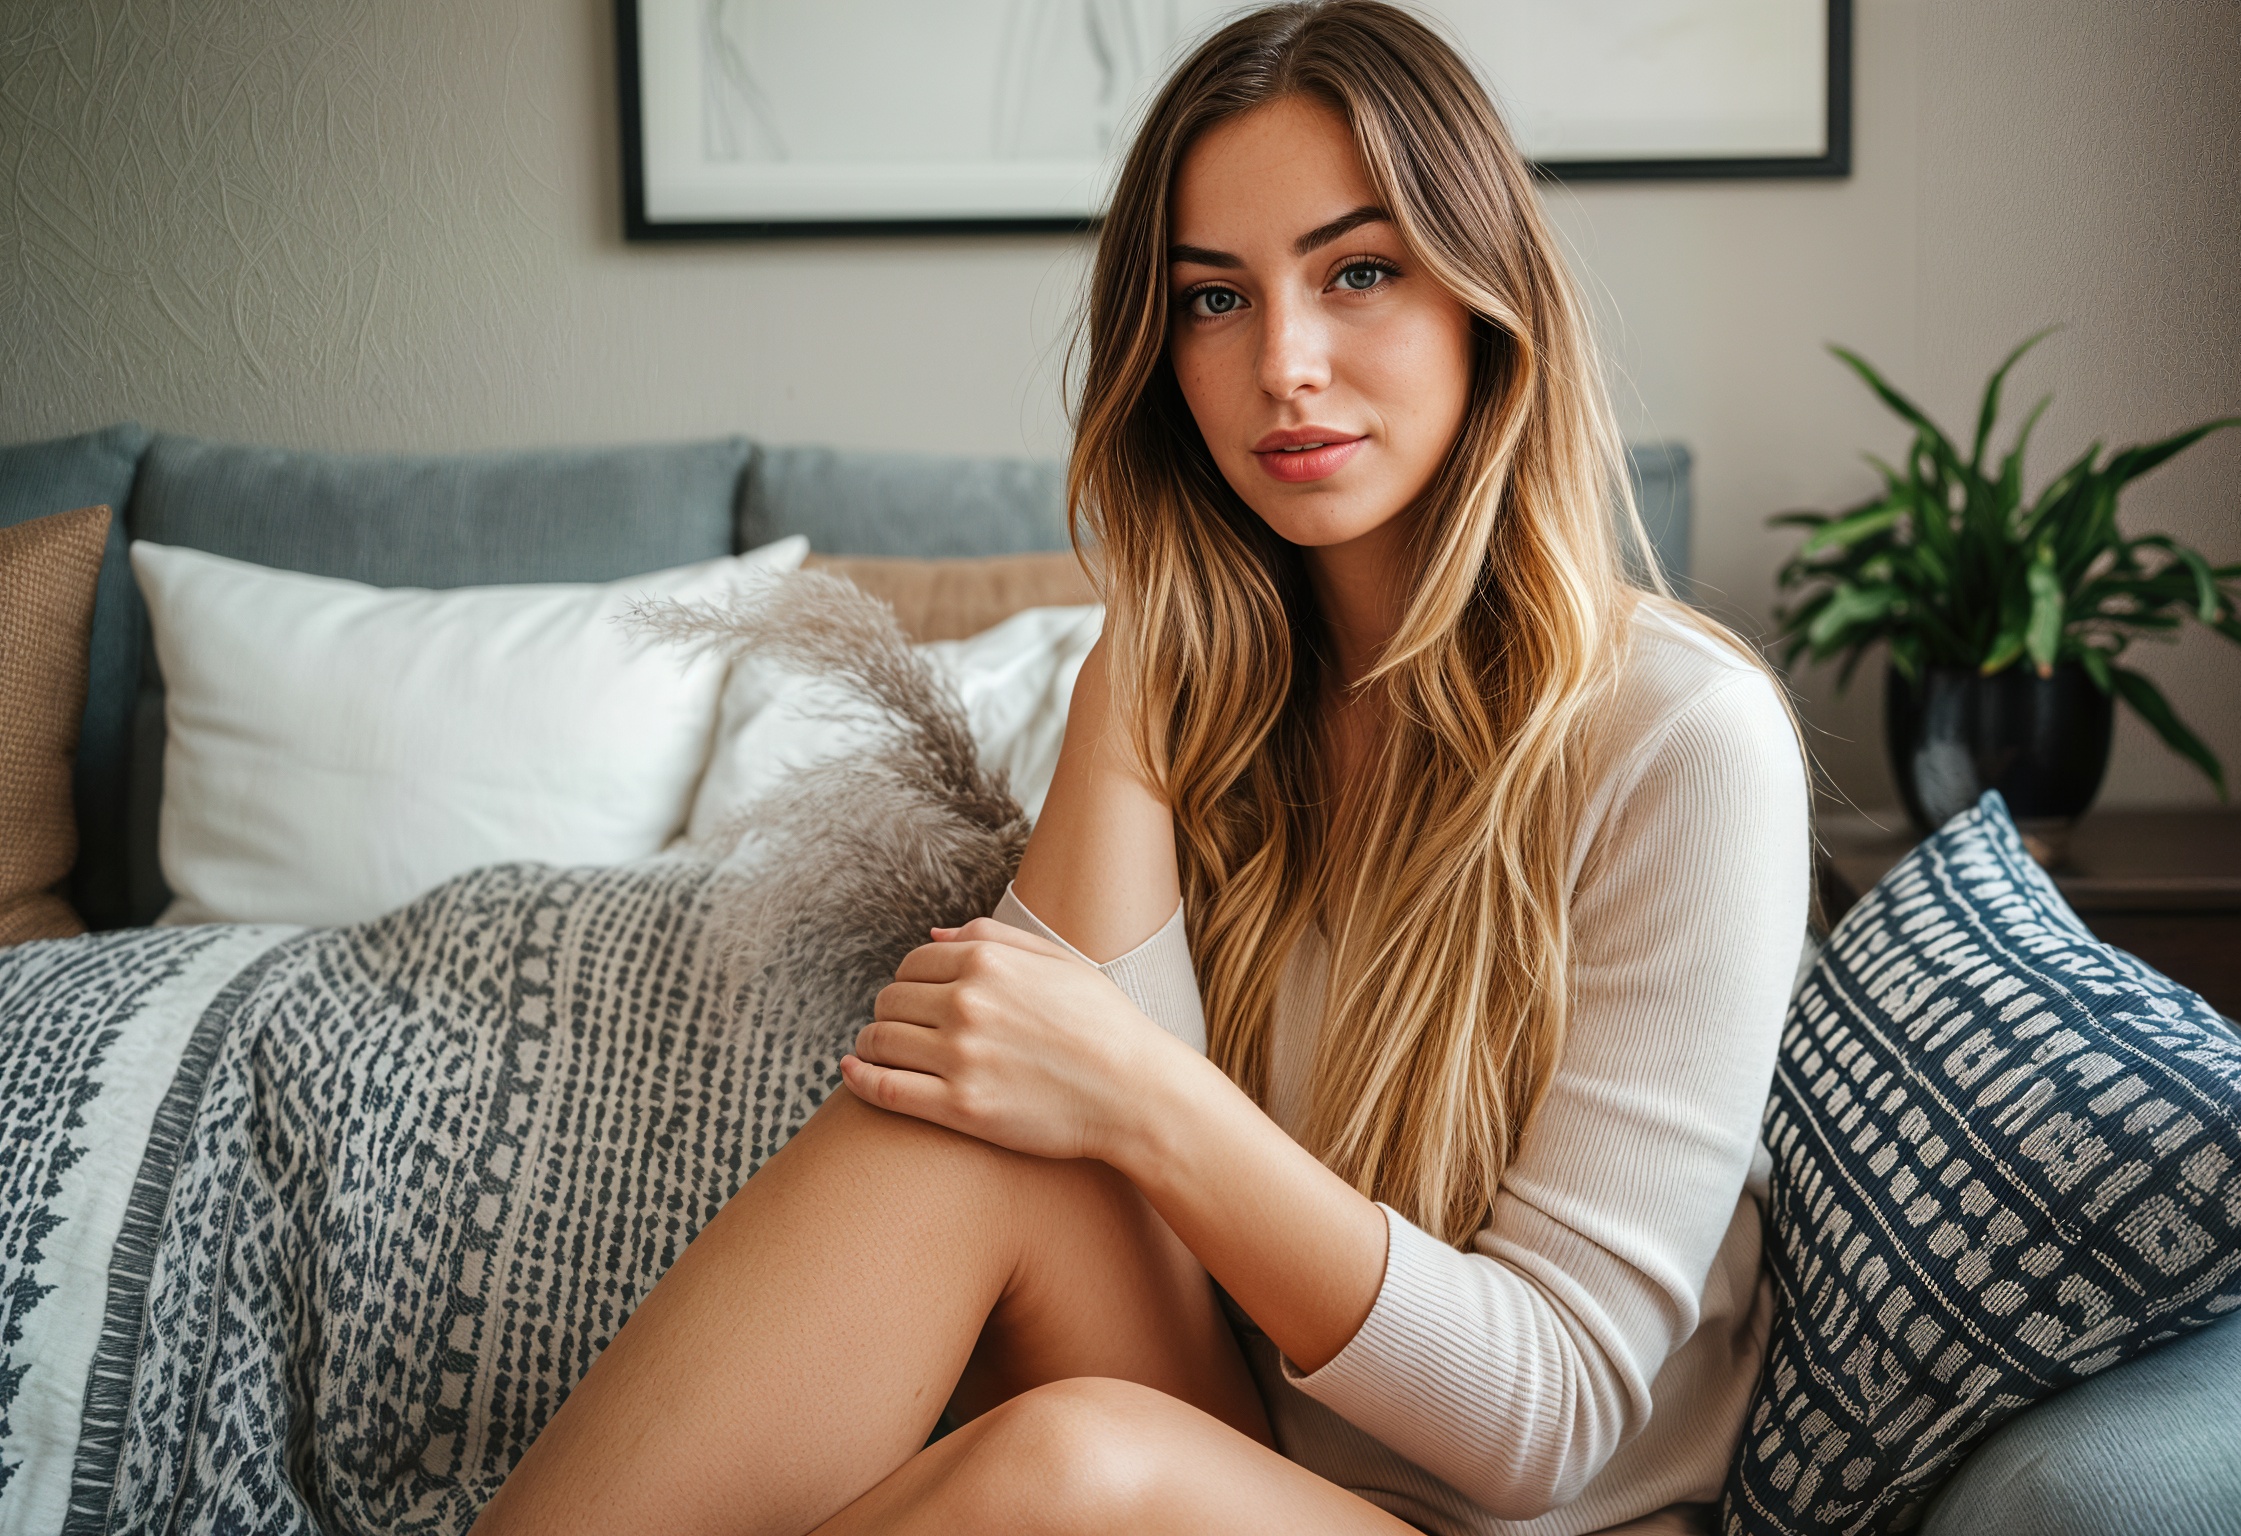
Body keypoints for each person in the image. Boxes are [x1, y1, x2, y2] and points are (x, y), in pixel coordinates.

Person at [474, 4, 1806, 1532]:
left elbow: (1545, 1423)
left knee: (1073, 1455)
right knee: (953, 1131)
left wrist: (1135, 1093)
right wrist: (1140, 675)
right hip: (1255, 1464)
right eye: (1214, 300)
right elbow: (1025, 1089)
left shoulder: (1686, 739)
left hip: (1511, 1518)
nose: (1284, 363)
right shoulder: (1182, 676)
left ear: (1483, 300)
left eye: (1358, 271)